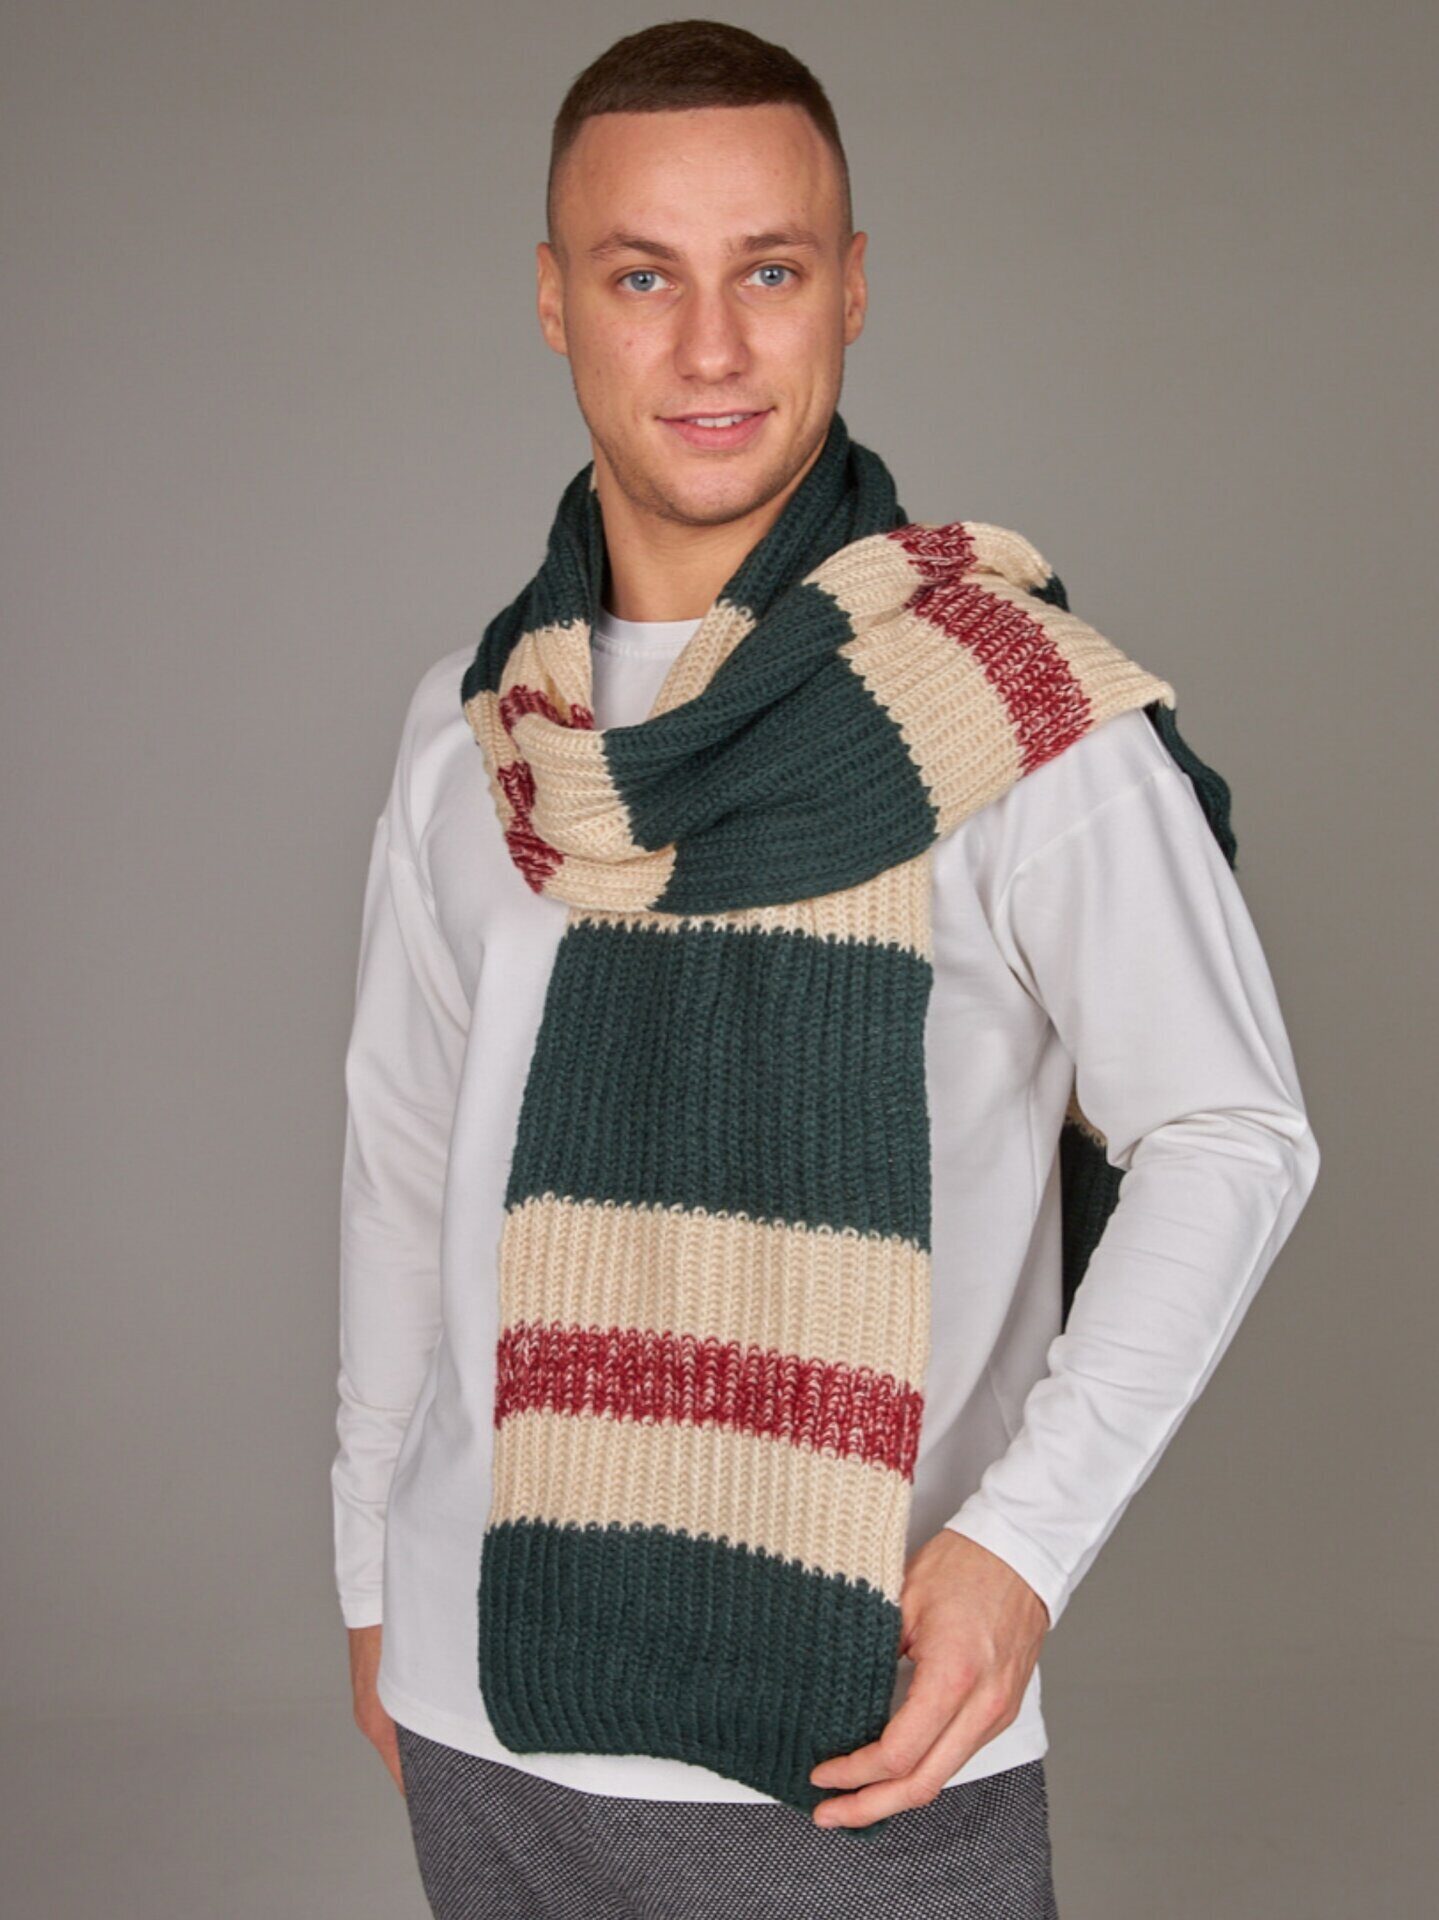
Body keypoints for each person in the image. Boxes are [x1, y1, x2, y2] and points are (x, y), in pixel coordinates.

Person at [332, 20, 1320, 1918]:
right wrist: (372, 1574)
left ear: (851, 289)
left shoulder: (1021, 719)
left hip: (867, 1722)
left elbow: (1232, 1133)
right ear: (555, 301)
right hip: (484, 1697)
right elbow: (400, 1153)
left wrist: (1020, 1553)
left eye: (769, 272)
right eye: (644, 277)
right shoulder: (479, 733)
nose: (711, 349)